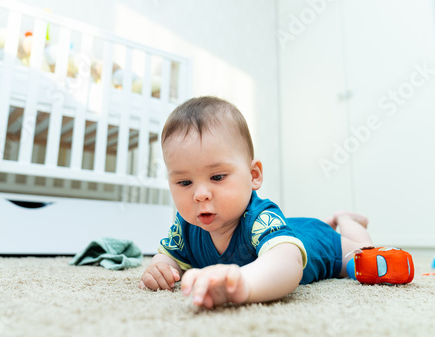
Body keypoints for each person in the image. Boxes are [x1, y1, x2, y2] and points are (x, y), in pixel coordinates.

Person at [138, 96, 373, 309]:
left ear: (254, 175)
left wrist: (244, 283)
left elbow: (288, 265)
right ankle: (323, 221)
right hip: (289, 227)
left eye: (217, 177)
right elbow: (171, 256)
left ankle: (345, 219)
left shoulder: (260, 217)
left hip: (322, 242)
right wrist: (160, 266)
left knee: (366, 255)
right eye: (184, 182)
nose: (200, 195)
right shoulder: (185, 225)